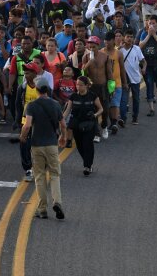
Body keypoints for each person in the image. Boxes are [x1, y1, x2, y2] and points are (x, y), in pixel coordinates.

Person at [19, 74, 67, 220]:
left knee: (39, 176)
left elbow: (27, 125)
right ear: (48, 89)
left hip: (36, 144)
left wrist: (22, 137)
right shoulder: (55, 104)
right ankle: (57, 201)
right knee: (54, 174)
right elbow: (63, 124)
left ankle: (42, 208)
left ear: (37, 89)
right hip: (52, 144)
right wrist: (63, 137)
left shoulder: (31, 106)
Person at [65, 76, 103, 176]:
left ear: (86, 85)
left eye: (81, 85)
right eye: (77, 84)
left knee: (87, 144)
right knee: (80, 145)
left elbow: (101, 109)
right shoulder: (73, 96)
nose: (78, 87)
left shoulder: (92, 96)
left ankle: (87, 166)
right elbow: (67, 110)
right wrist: (61, 120)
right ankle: (87, 162)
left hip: (89, 124)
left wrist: (95, 115)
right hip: (77, 124)